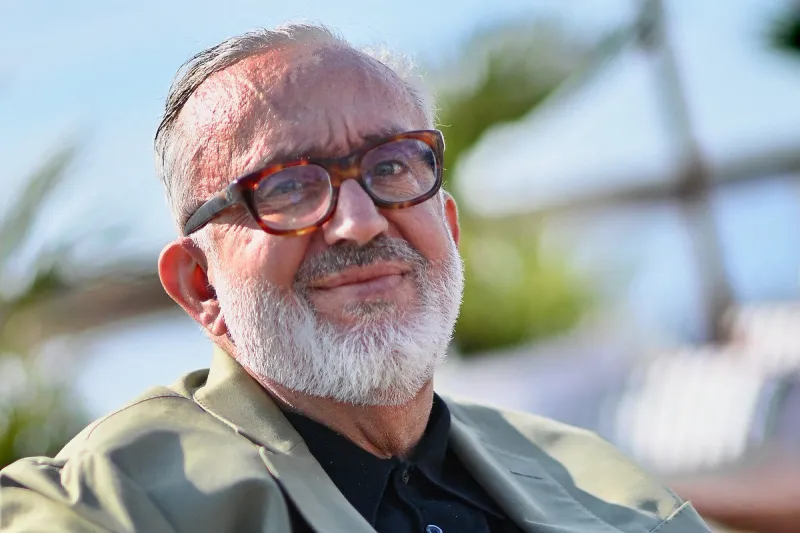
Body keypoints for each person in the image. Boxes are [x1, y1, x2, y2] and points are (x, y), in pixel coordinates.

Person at [0, 23, 710, 532]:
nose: (360, 221)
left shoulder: (602, 485)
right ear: (201, 285)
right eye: (286, 188)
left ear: (449, 230)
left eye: (393, 166)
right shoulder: (101, 503)